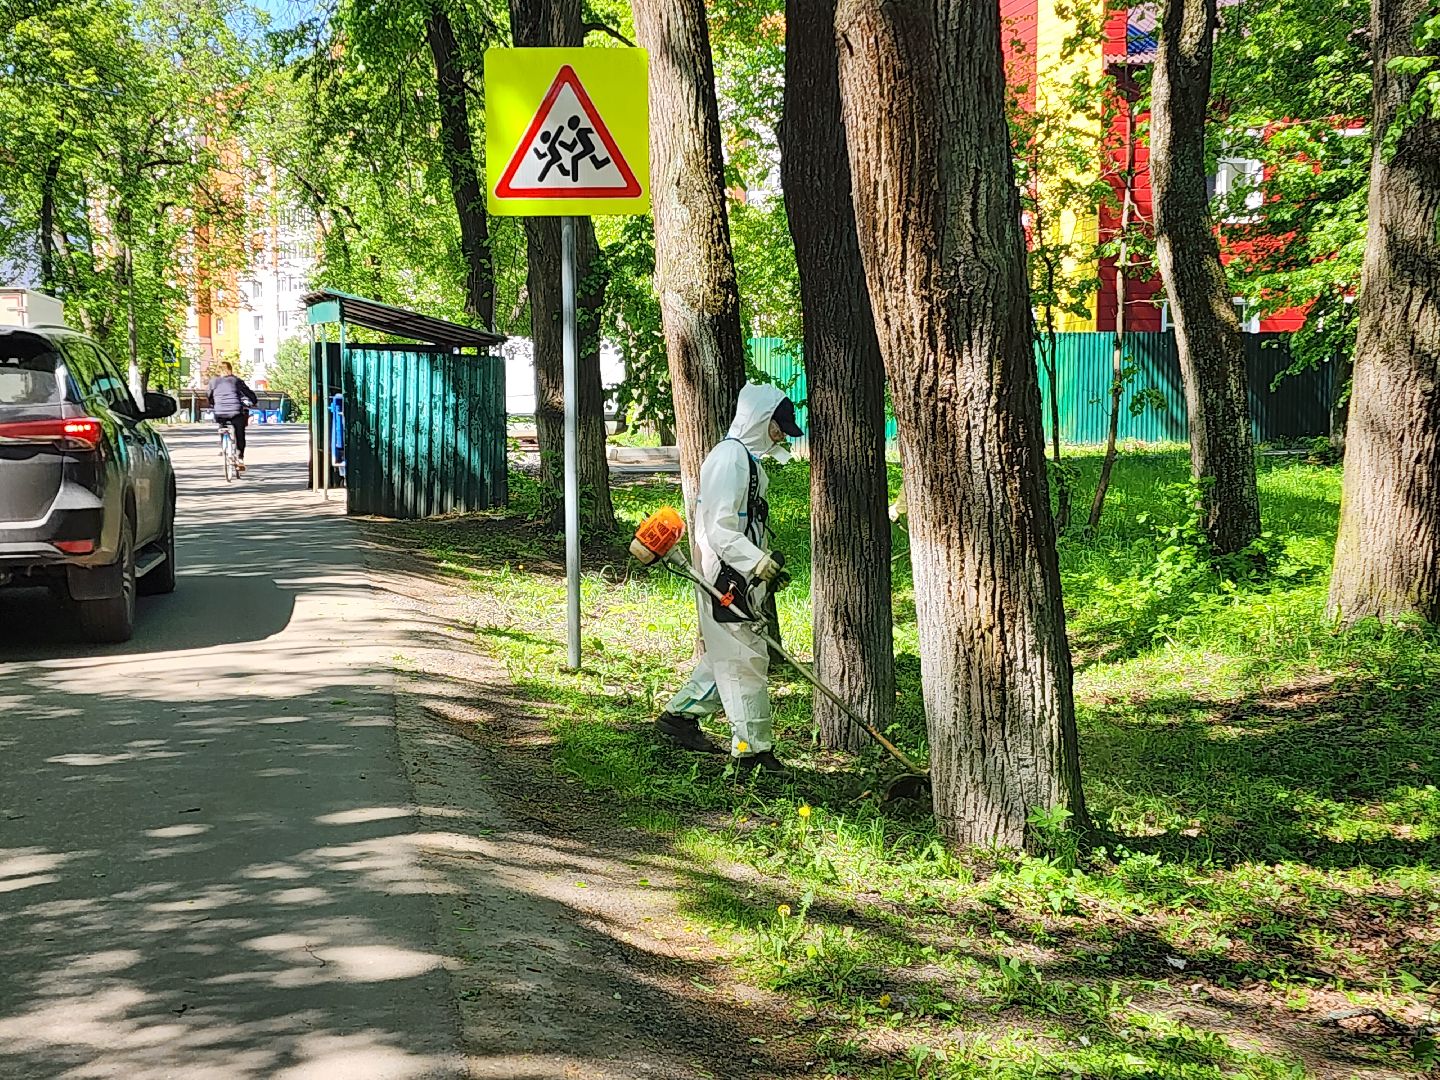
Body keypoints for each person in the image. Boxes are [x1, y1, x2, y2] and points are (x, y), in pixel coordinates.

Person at [655, 382, 804, 775]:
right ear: (759, 419)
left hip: (736, 571)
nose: (780, 436)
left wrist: (764, 565)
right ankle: (752, 753)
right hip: (725, 575)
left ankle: (679, 718)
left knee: (726, 654)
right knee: (744, 660)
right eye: (777, 428)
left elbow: (746, 524)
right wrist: (755, 563)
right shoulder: (729, 459)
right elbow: (720, 529)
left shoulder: (746, 460)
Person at [208, 362, 258, 472]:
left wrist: (214, 404)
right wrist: (254, 401)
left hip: (220, 412)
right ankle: (240, 458)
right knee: (240, 432)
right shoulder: (236, 381)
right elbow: (248, 393)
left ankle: (224, 446)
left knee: (222, 424)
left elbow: (209, 397)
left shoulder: (213, 382)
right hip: (235, 412)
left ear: (218, 370)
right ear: (230, 369)